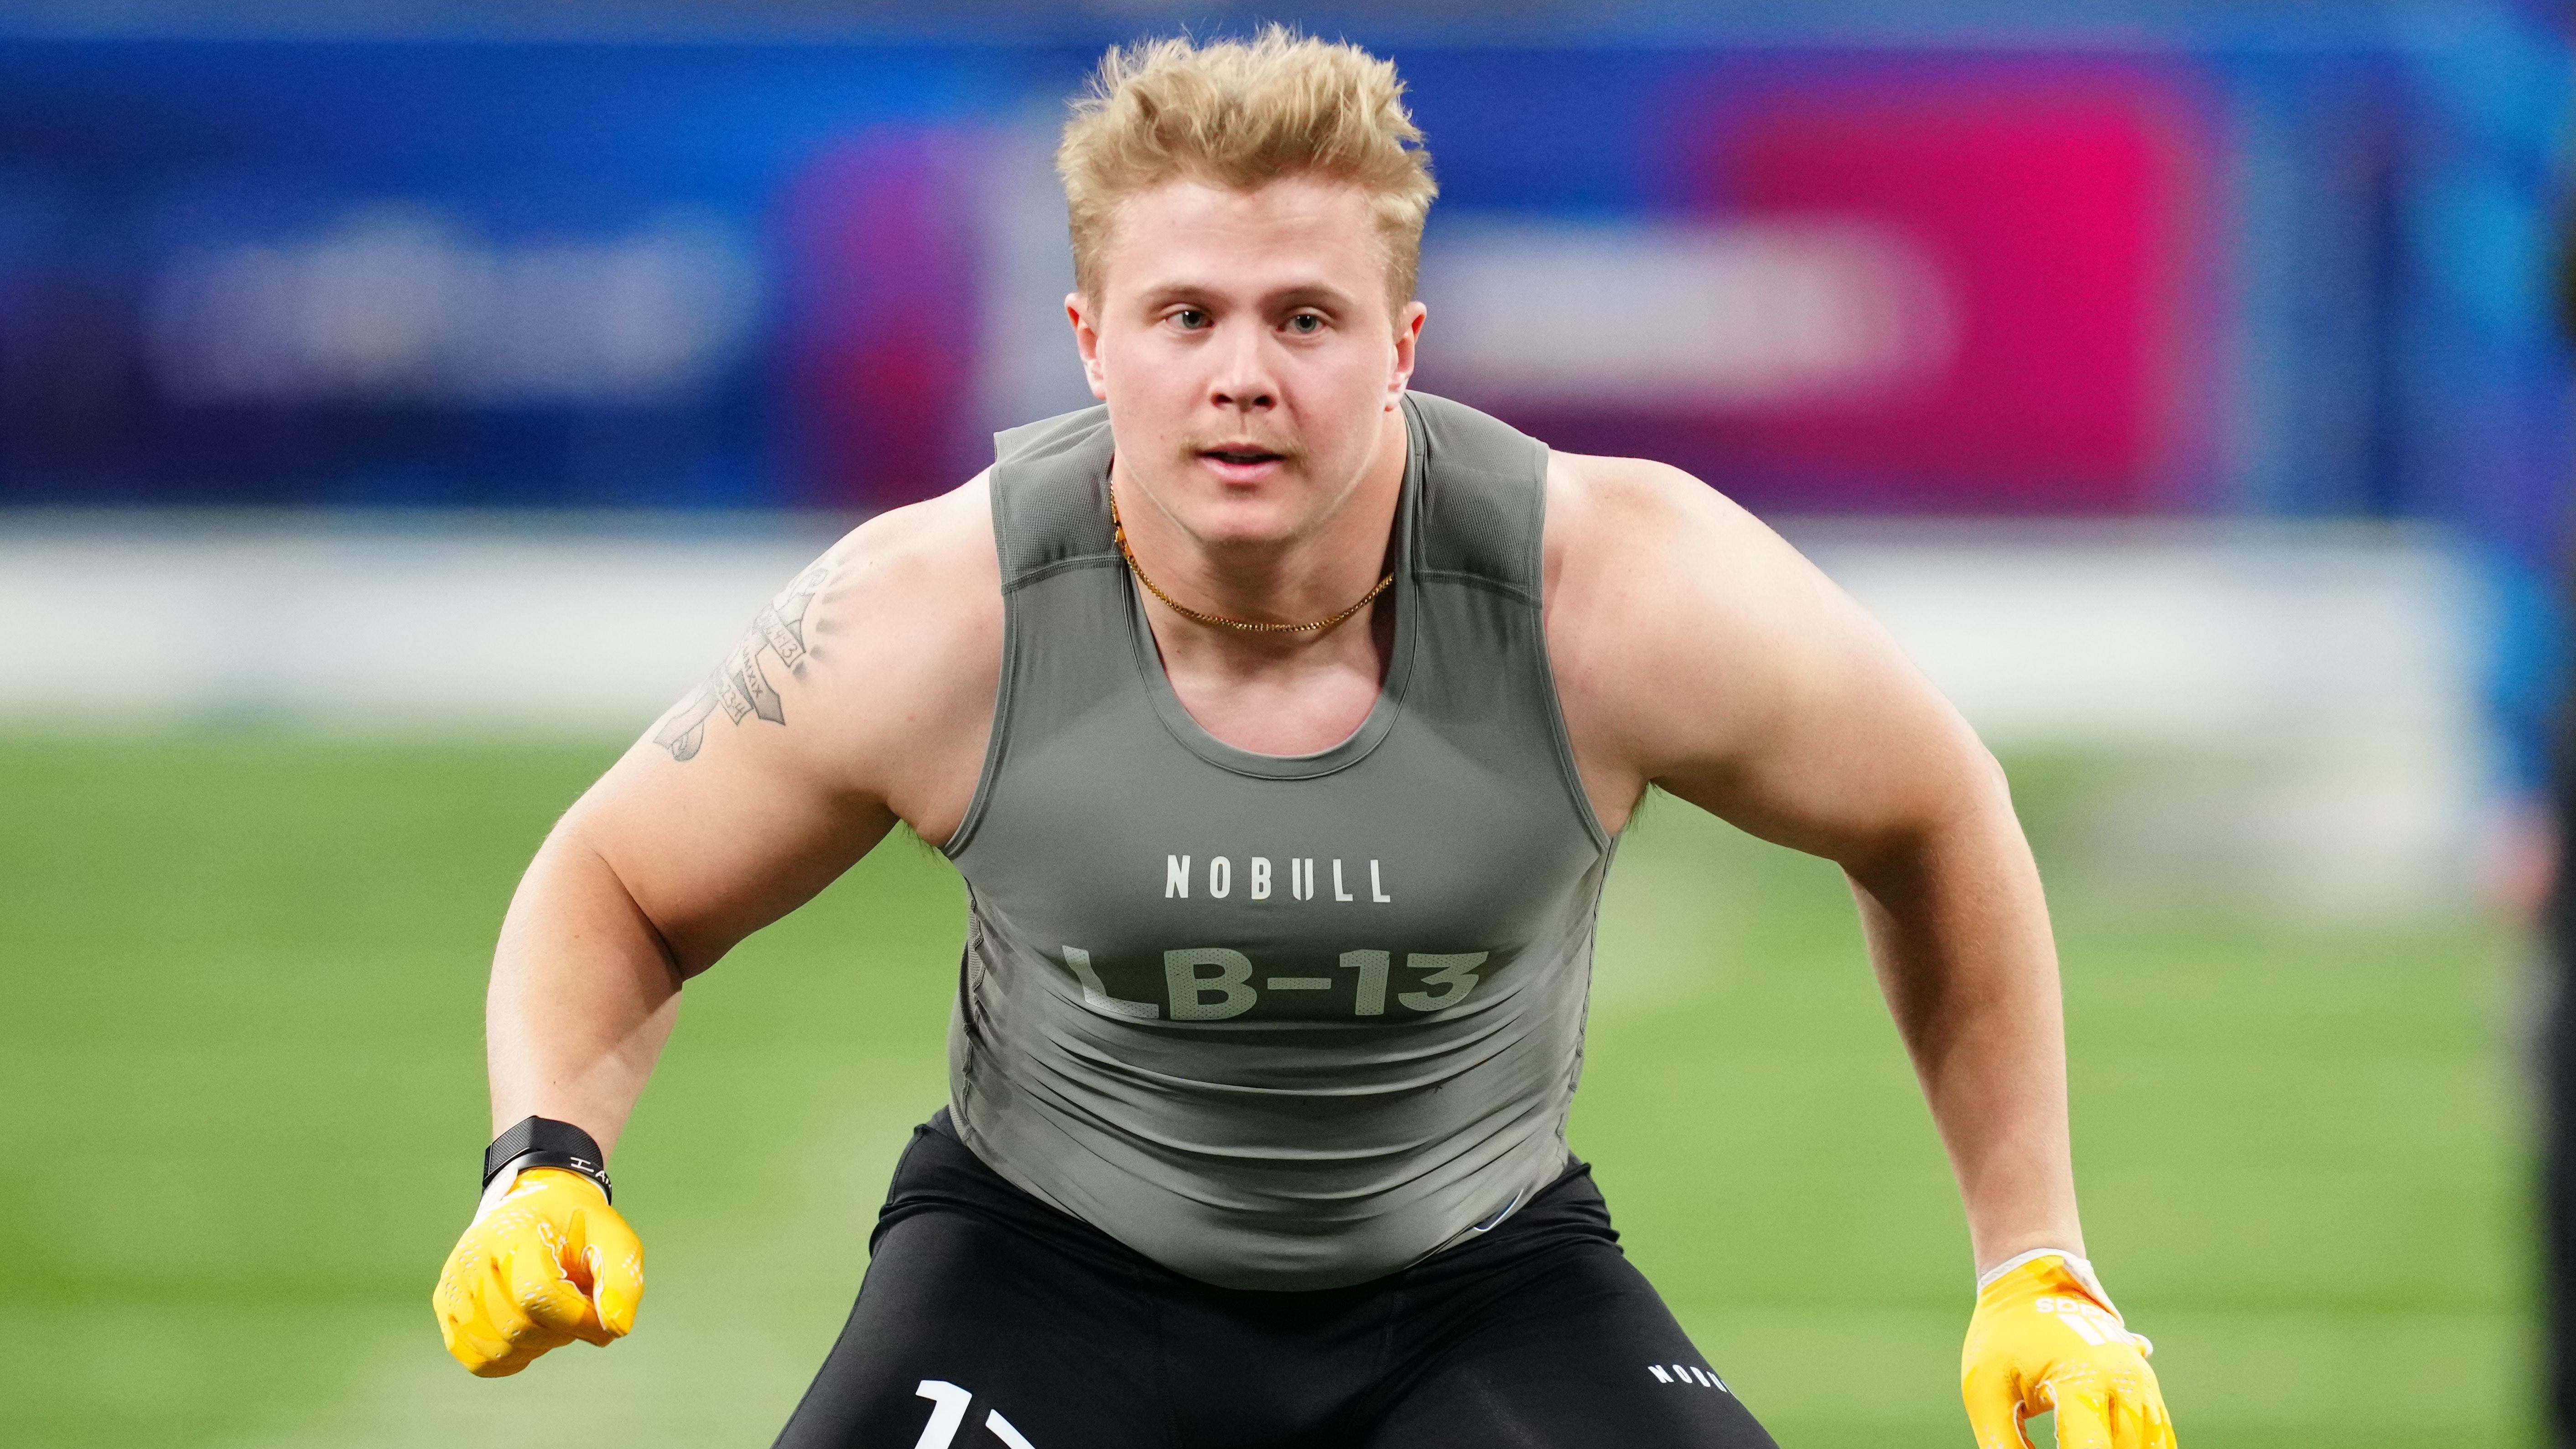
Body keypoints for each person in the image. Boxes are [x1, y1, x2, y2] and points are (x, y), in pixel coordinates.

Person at [431, 26, 2177, 1449]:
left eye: (1306, 317)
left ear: (1404, 345)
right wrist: (542, 1167)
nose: (1244, 375)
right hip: (1039, 1272)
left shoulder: (1612, 591)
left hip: (1484, 1280)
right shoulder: (932, 614)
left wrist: (2042, 1265)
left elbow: (1937, 812)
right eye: (1187, 315)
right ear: (1090, 345)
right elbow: (615, 879)